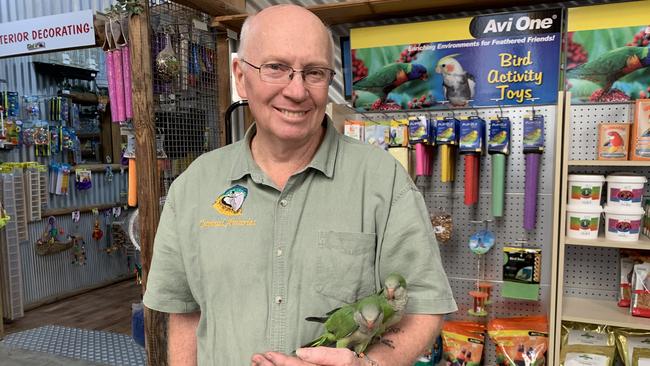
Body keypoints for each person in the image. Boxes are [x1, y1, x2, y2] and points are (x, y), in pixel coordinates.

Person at [143, 4, 457, 366]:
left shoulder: (383, 182)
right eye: (276, 68)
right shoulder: (194, 188)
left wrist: (370, 365)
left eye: (314, 72)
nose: (296, 91)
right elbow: (184, 313)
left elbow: (422, 304)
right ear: (240, 76)